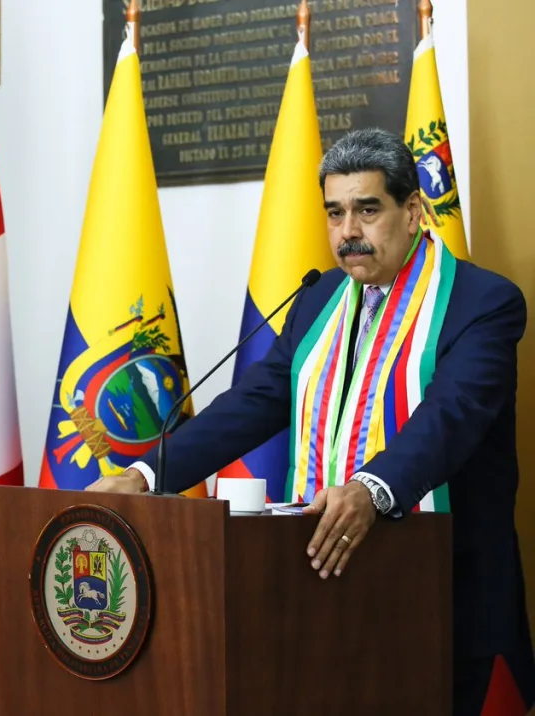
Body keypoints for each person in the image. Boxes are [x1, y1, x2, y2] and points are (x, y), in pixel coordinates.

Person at [86, 127, 535, 716]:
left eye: (368, 210)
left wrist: (371, 490)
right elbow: (254, 402)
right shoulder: (320, 300)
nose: (348, 232)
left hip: (446, 600)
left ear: (414, 211)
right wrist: (147, 476)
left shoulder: (483, 303)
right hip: (328, 596)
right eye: (335, 212)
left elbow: (450, 416)